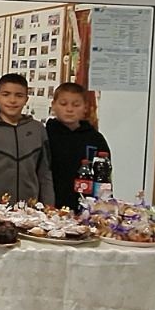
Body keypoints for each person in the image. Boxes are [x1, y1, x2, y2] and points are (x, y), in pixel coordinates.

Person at [0, 73, 54, 205]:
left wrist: (48, 206)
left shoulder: (38, 129)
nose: (12, 100)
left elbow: (45, 172)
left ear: (26, 99)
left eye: (19, 95)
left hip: (30, 209)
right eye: (6, 94)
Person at [45, 82, 110, 212]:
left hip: (87, 205)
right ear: (53, 105)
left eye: (76, 105)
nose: (69, 109)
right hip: (50, 205)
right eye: (63, 104)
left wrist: (103, 204)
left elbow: (104, 176)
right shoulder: (45, 135)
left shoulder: (95, 139)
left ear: (85, 107)